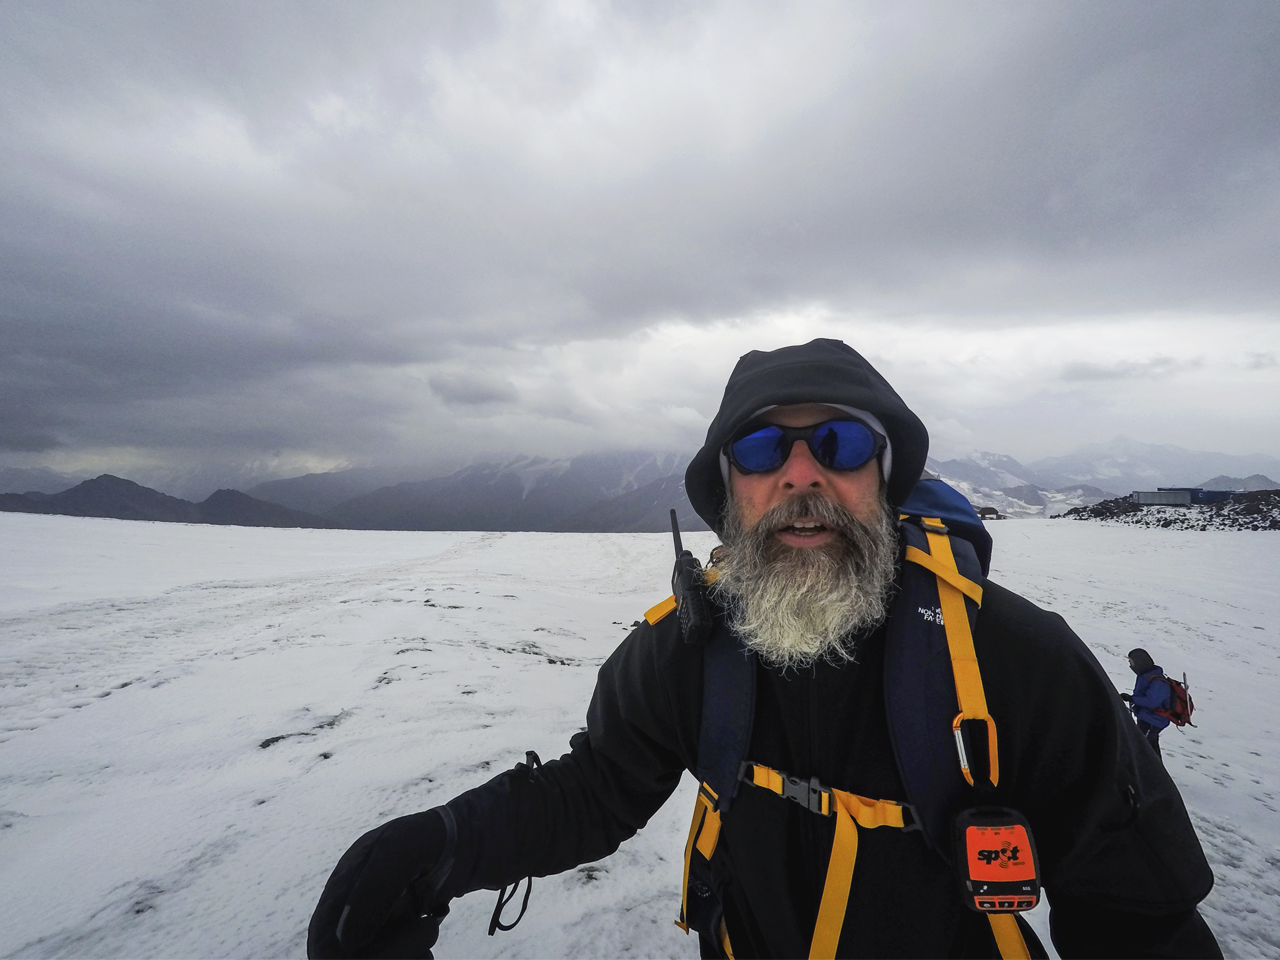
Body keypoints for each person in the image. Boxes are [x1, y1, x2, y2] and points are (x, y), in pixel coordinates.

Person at [308, 339, 1220, 959]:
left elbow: (1141, 918)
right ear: (727, 493)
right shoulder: (685, 654)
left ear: (883, 479)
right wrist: (440, 848)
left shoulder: (1015, 664)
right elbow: (592, 790)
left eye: (839, 440)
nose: (800, 472)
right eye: (760, 448)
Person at [1121, 648, 1173, 760]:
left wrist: (1132, 699)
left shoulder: (1158, 682)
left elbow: (1152, 701)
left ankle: (1146, 773)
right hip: (1147, 718)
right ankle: (1158, 773)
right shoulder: (1145, 676)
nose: (1130, 665)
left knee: (1140, 747)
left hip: (1153, 721)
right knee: (1151, 747)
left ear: (1139, 662)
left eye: (1132, 662)